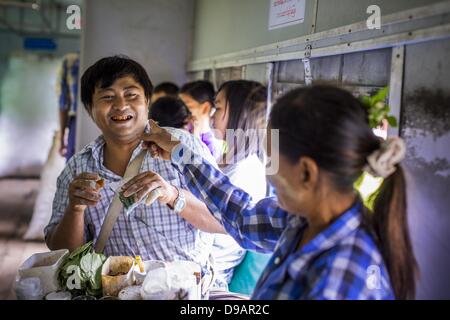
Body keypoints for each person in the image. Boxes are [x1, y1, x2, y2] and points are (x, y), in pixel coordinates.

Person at [143, 85, 418, 300]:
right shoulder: (304, 220)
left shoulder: (340, 275)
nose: (268, 174)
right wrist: (179, 151)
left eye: (272, 161)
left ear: (307, 173)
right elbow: (242, 215)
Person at [45, 56, 224, 277]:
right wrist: (75, 209)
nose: (121, 105)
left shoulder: (182, 146)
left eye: (131, 94)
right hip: (115, 291)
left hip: (182, 289)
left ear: (147, 101)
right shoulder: (77, 168)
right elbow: (62, 252)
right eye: (107, 97)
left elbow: (224, 221)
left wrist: (172, 195)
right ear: (90, 109)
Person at [210, 80, 272, 294]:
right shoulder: (225, 158)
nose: (211, 115)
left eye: (218, 107)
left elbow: (215, 224)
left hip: (212, 273)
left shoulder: (245, 170)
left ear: (239, 114)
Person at [179, 81, 223, 159]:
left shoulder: (214, 144)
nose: (179, 111)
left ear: (205, 108)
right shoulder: (181, 129)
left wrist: (194, 138)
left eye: (186, 107)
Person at [57, 52, 80, 161]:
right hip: (108, 121)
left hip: (77, 122)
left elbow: (63, 104)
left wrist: (62, 138)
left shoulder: (70, 61)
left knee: (73, 169)